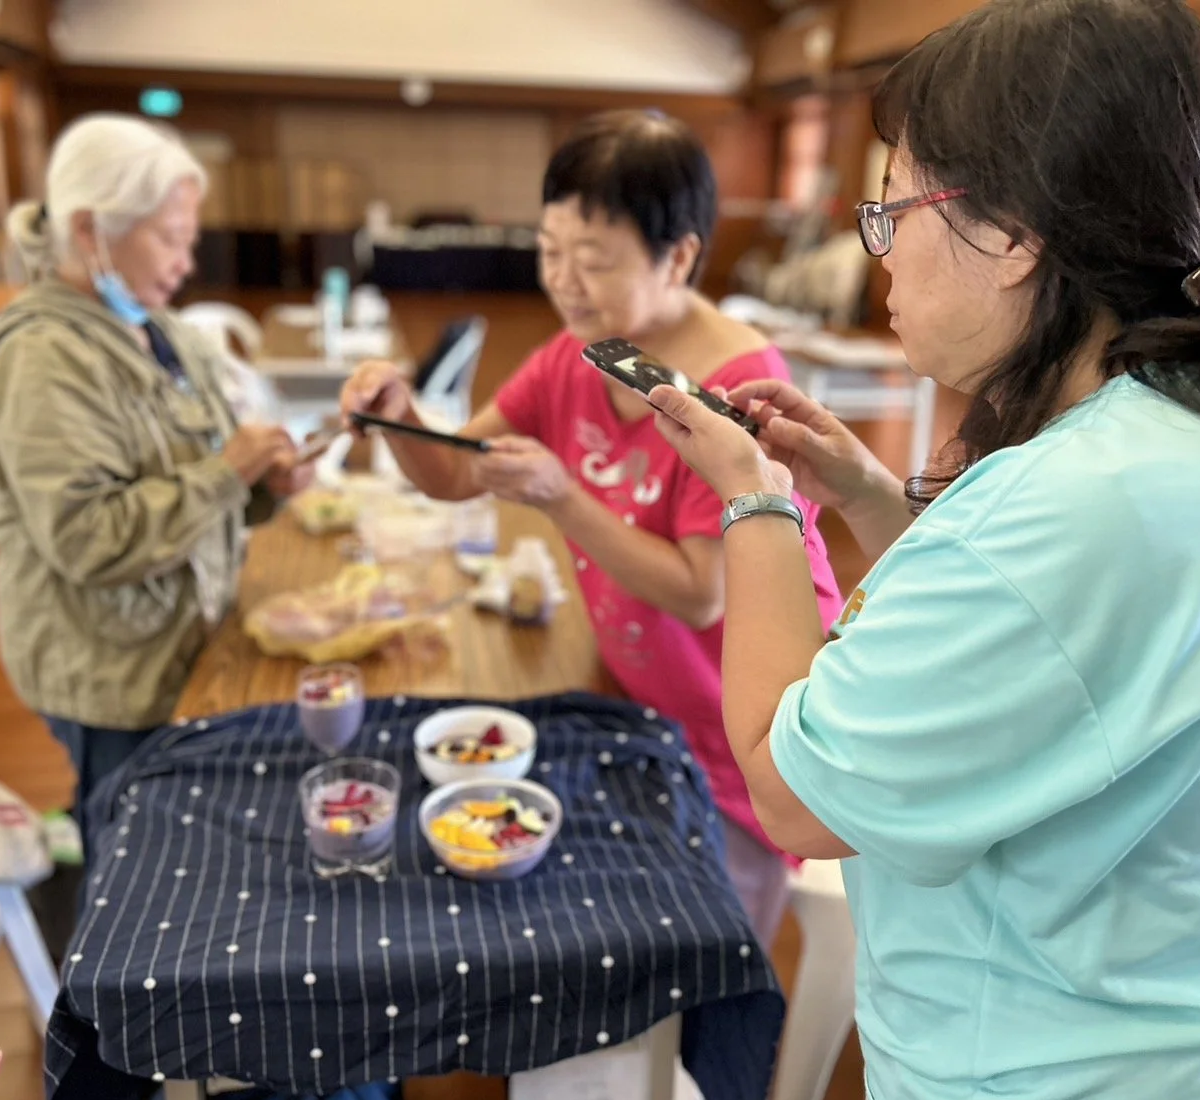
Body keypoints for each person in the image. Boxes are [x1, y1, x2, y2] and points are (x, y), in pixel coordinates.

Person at [647, 0, 1200, 1100]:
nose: (885, 253)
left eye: (894, 206)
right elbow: (1057, 661)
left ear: (1011, 235)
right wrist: (863, 494)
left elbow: (792, 791)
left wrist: (756, 503)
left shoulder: (1080, 507)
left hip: (1058, 1071)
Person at [342, 110, 843, 943]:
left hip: (741, 744)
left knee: (712, 954)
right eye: (549, 251)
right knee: (636, 937)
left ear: (679, 255)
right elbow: (458, 471)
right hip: (639, 707)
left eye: (594, 260)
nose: (564, 281)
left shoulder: (737, 385)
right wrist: (400, 417)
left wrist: (561, 496)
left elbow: (699, 593)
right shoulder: (581, 352)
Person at [0, 114, 311, 846]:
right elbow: (89, 538)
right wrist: (229, 473)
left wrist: (263, 481)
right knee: (129, 834)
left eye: (189, 238)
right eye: (169, 237)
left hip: (178, 635)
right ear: (91, 230)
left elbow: (199, 470)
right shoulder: (43, 356)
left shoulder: (159, 328)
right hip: (108, 663)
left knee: (158, 812)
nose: (185, 262)